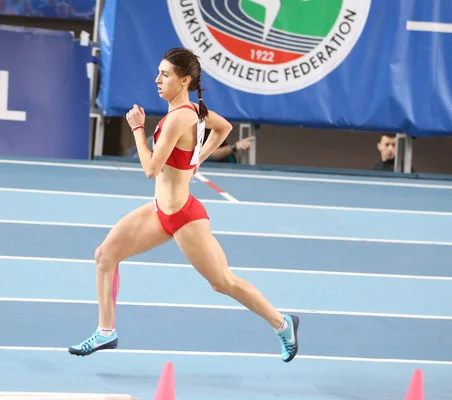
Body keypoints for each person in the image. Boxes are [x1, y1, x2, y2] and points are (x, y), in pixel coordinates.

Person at [68, 47, 300, 363]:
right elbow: (224, 129)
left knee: (223, 282)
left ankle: (283, 324)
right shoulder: (194, 111)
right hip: (159, 210)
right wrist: (198, 158)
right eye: (159, 73)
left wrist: (137, 128)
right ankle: (106, 331)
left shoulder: (177, 119)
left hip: (183, 217)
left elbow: (150, 169)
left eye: (165, 75)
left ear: (184, 80)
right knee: (105, 256)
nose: (157, 80)